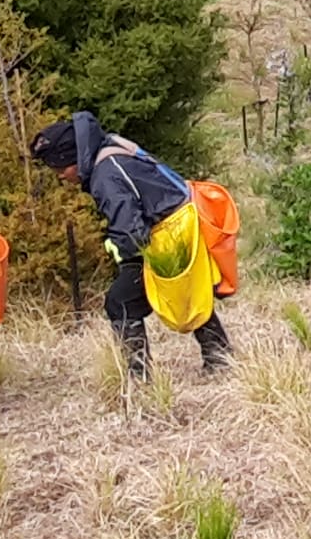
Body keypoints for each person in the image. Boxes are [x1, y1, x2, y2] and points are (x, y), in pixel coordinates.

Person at [30, 111, 233, 377]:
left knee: (121, 301)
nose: (60, 176)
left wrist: (121, 250)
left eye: (60, 168)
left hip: (168, 235)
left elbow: (131, 231)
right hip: (180, 225)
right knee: (186, 292)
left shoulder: (105, 175)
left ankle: (140, 377)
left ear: (73, 157)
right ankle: (220, 358)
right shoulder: (108, 149)